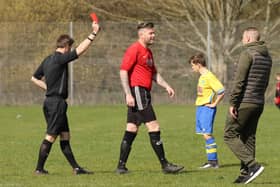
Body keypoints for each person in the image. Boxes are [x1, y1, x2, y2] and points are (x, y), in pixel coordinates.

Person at [31, 21, 100, 175]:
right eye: (69, 48)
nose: (70, 51)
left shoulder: (48, 59)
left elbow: (34, 78)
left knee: (65, 136)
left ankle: (76, 168)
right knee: (51, 136)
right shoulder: (60, 58)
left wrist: (48, 88)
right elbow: (80, 51)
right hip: (56, 104)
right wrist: (93, 34)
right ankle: (39, 169)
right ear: (66, 47)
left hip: (51, 102)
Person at [115, 22, 184, 174]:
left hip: (142, 92)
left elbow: (154, 74)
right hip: (138, 91)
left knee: (132, 128)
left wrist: (166, 86)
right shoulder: (134, 49)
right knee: (154, 126)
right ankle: (165, 165)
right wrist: (128, 93)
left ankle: (121, 167)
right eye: (151, 33)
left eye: (154, 33)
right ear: (141, 34)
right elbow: (123, 71)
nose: (154, 35)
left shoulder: (148, 52)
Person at [224, 27, 272, 184]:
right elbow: (264, 83)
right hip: (258, 102)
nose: (242, 41)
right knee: (248, 137)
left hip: (245, 102)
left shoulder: (247, 53)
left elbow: (240, 81)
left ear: (249, 39)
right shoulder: (267, 57)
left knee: (229, 134)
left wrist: (233, 102)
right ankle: (245, 173)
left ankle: (253, 166)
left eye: (243, 38)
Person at [188, 53, 225, 169]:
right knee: (205, 135)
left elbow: (221, 91)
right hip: (200, 108)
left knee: (207, 134)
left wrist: (214, 104)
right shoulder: (202, 77)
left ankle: (213, 162)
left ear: (198, 65)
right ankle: (211, 161)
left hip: (206, 108)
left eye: (192, 65)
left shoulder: (209, 76)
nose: (192, 68)